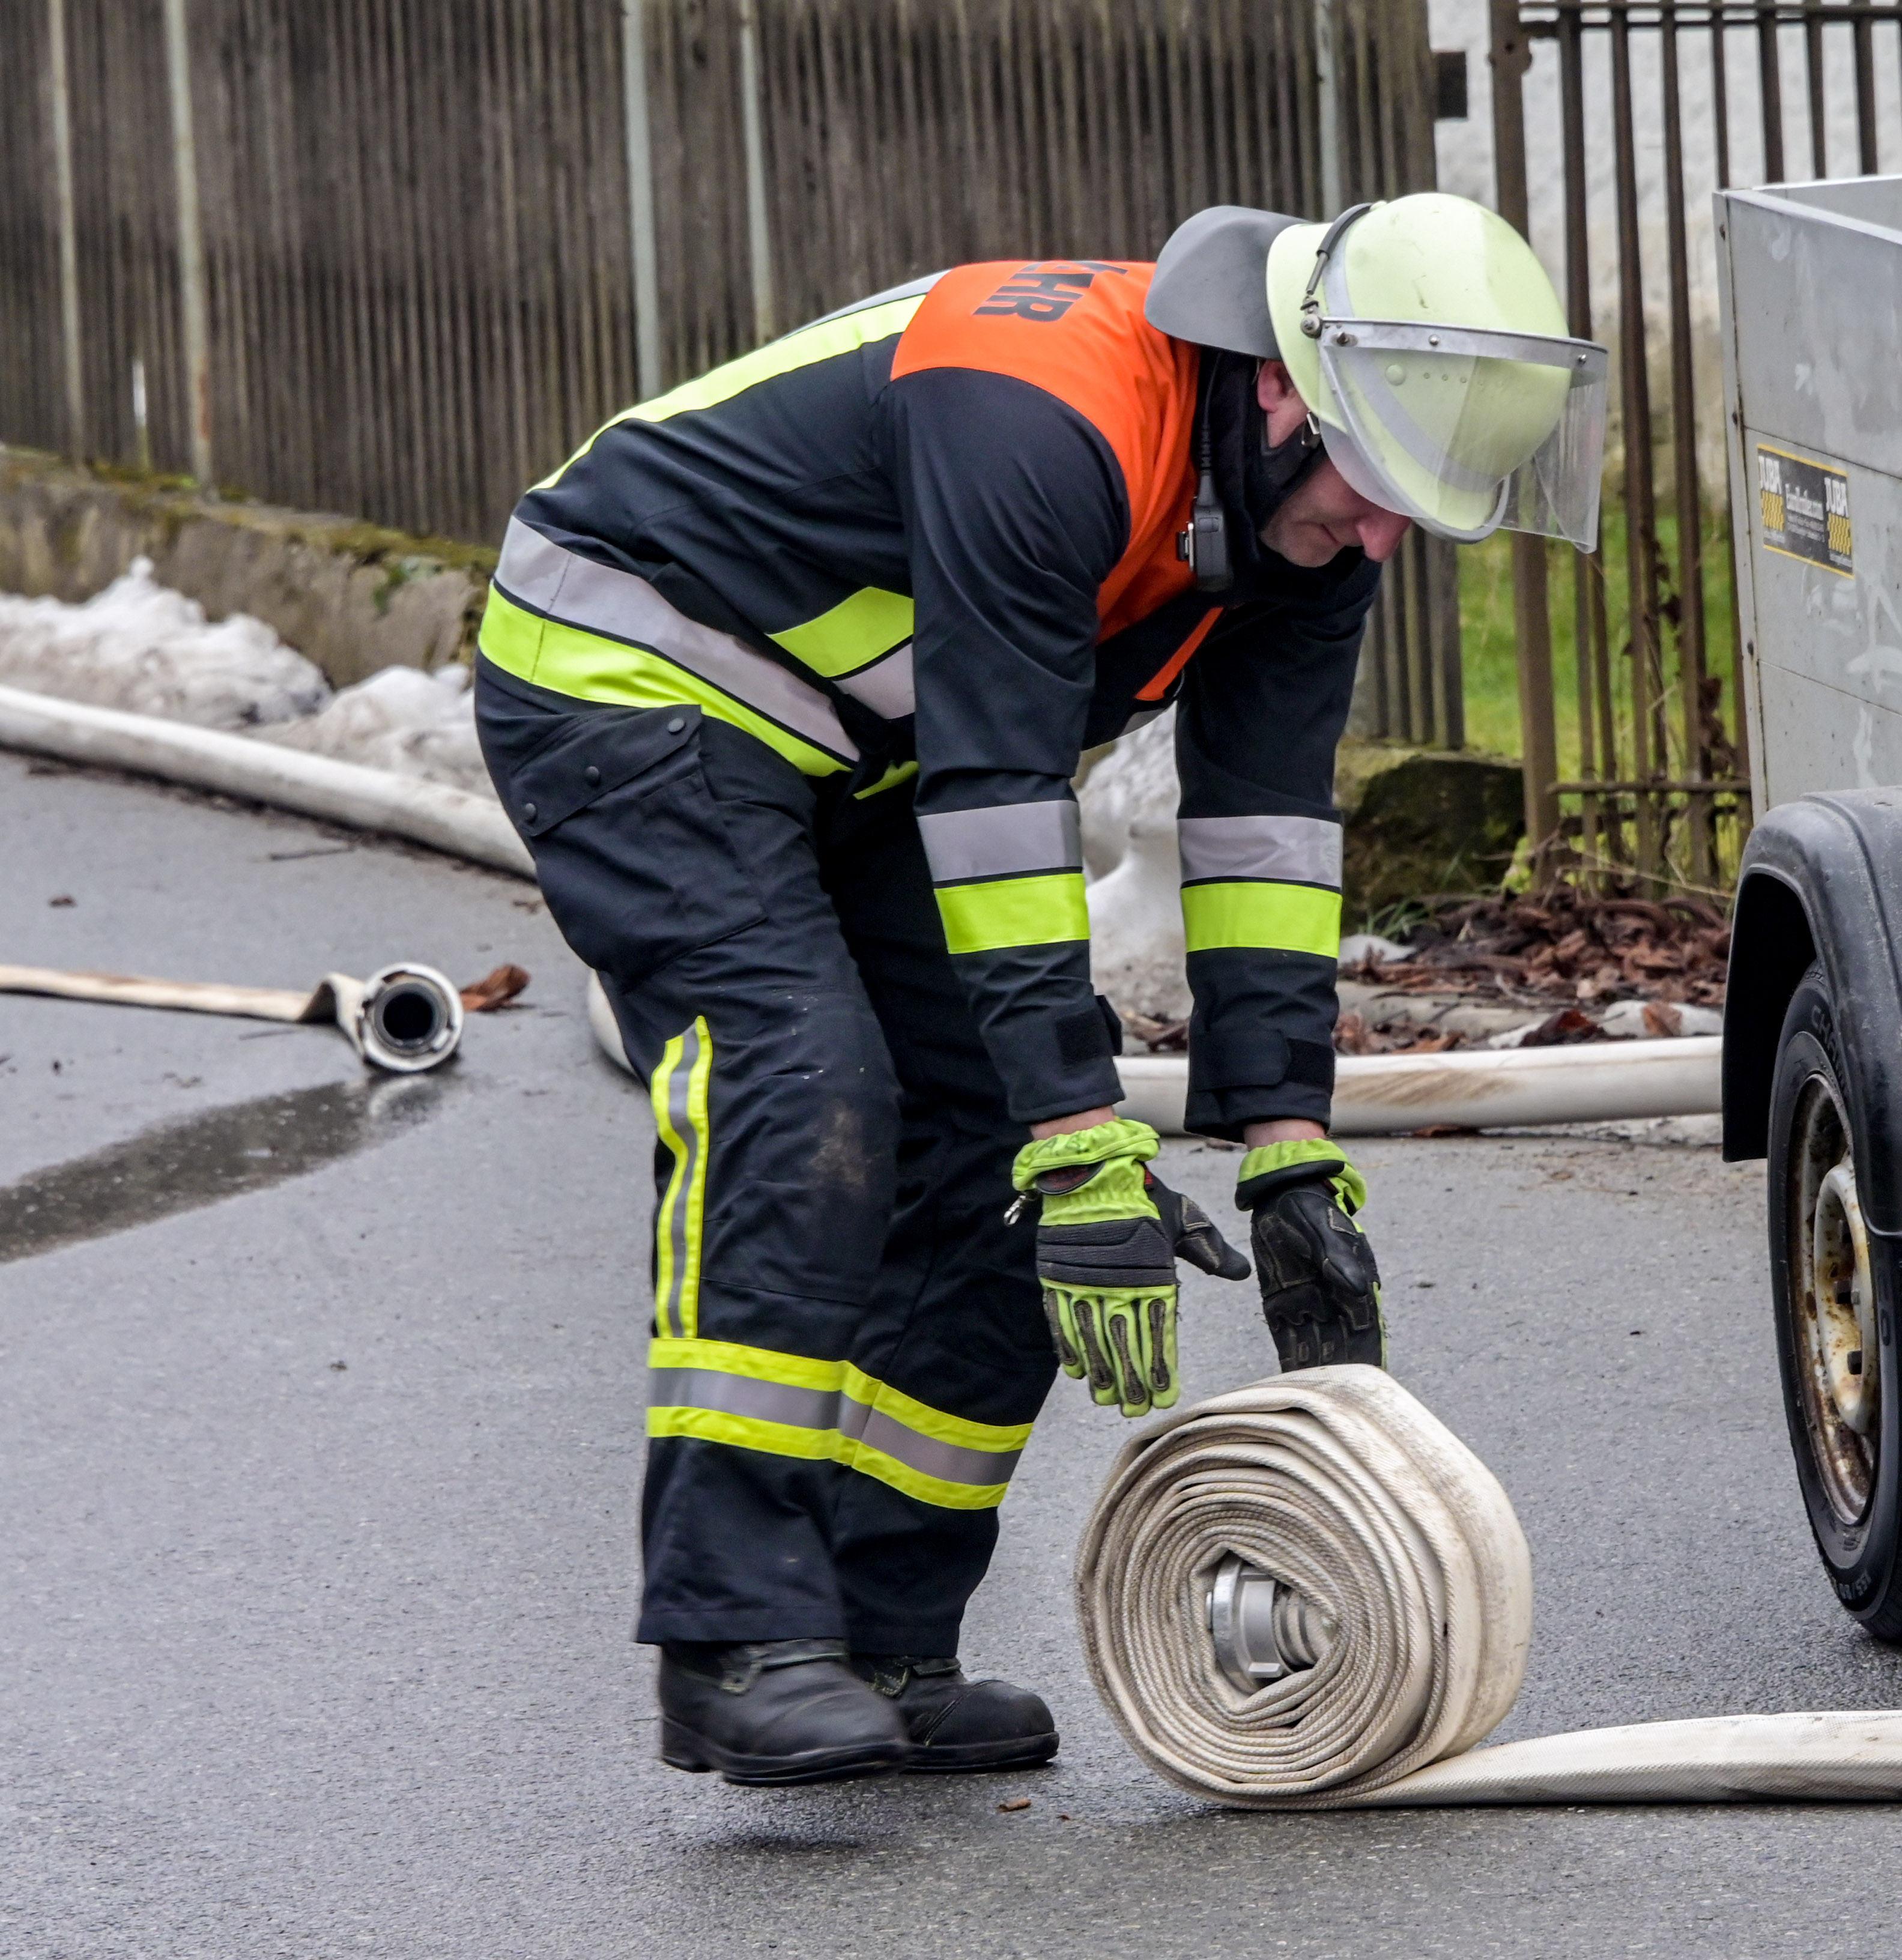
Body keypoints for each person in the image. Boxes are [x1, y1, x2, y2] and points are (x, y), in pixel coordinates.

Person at [474, 193, 1605, 1785]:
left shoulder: (1302, 515)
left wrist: (1288, 1144)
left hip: (866, 753)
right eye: (1375, 486)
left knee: (1020, 1149)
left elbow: (1267, 830)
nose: (1385, 538)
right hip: (633, 677)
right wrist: (1082, 1129)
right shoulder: (1043, 415)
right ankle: (735, 1640)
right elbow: (1003, 796)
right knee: (807, 1089)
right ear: (1281, 389)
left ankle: (881, 1633)